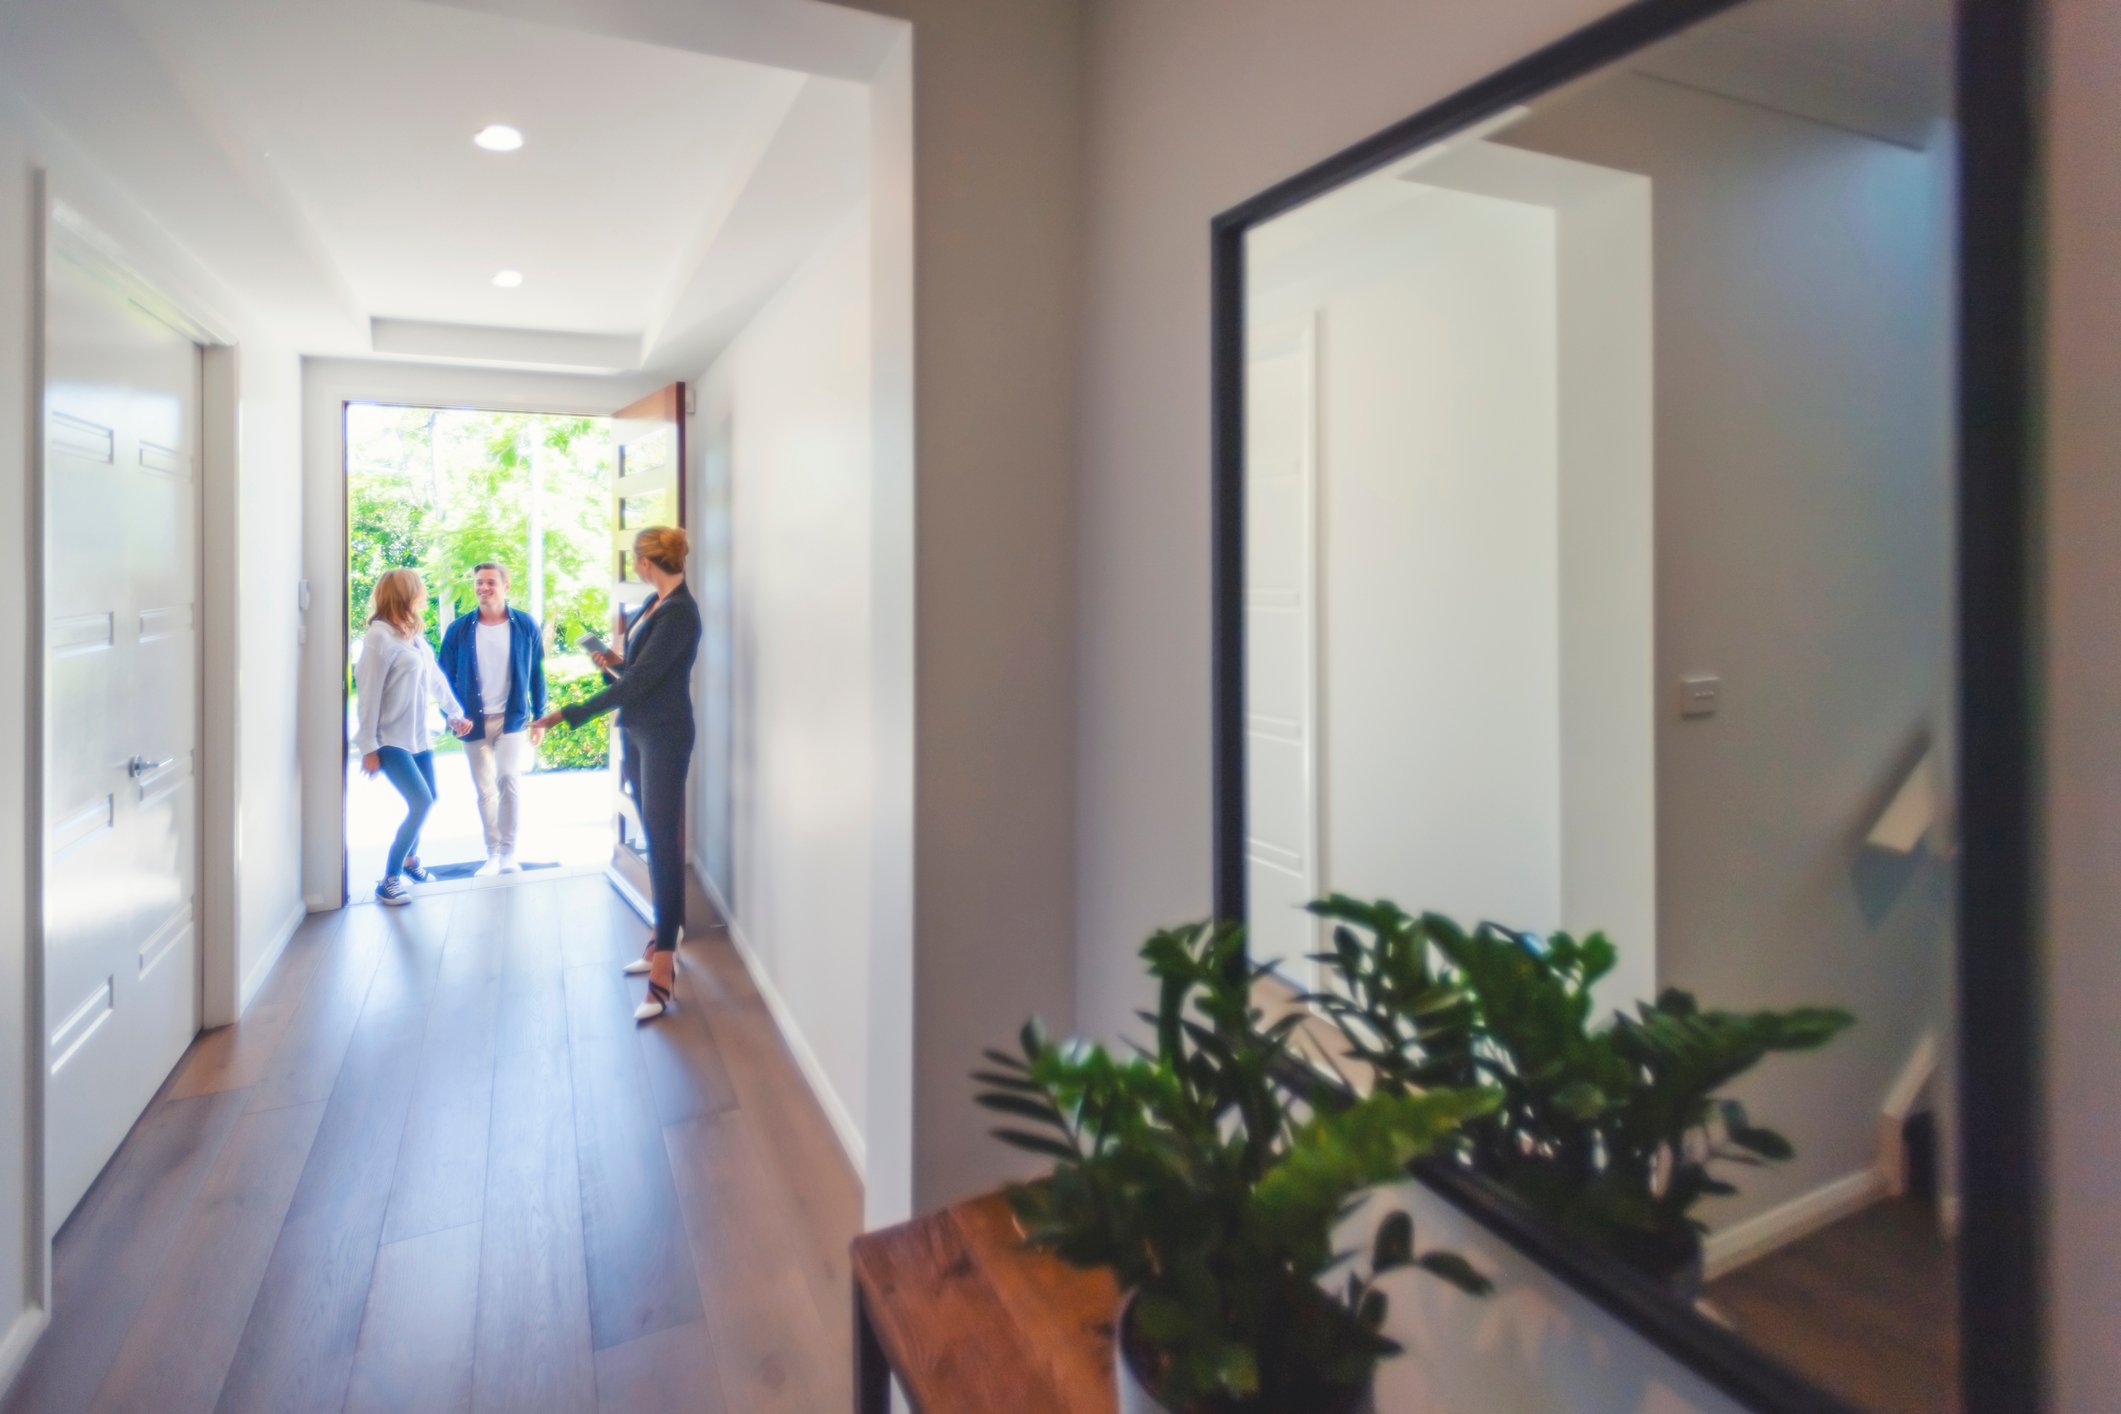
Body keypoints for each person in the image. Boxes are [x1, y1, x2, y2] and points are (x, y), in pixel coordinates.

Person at [534, 526, 699, 1021]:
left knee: (664, 845)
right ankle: (659, 938)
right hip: (640, 731)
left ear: (647, 563)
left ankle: (665, 964)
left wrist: (569, 713)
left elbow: (641, 684)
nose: (634, 569)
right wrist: (611, 661)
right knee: (653, 839)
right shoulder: (655, 606)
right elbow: (637, 675)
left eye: (635, 562)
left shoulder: (679, 613)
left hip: (664, 736)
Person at [355, 568, 471, 905]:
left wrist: (455, 713)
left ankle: (410, 862)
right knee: (419, 802)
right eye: (419, 588)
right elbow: (368, 695)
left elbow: (436, 678)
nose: (424, 592)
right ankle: (388, 879)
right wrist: (368, 747)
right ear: (405, 593)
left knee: (429, 797)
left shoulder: (413, 636)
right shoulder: (379, 637)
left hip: (419, 738)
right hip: (390, 740)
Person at [437, 561, 548, 875]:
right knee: (484, 789)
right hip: (472, 721)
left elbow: (537, 671)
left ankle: (510, 852)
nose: (483, 588)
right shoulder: (459, 629)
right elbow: (441, 676)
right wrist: (449, 715)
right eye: (479, 583)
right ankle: (493, 854)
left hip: (512, 719)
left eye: (490, 583)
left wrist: (540, 716)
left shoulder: (525, 625)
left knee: (508, 779)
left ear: (505, 586)